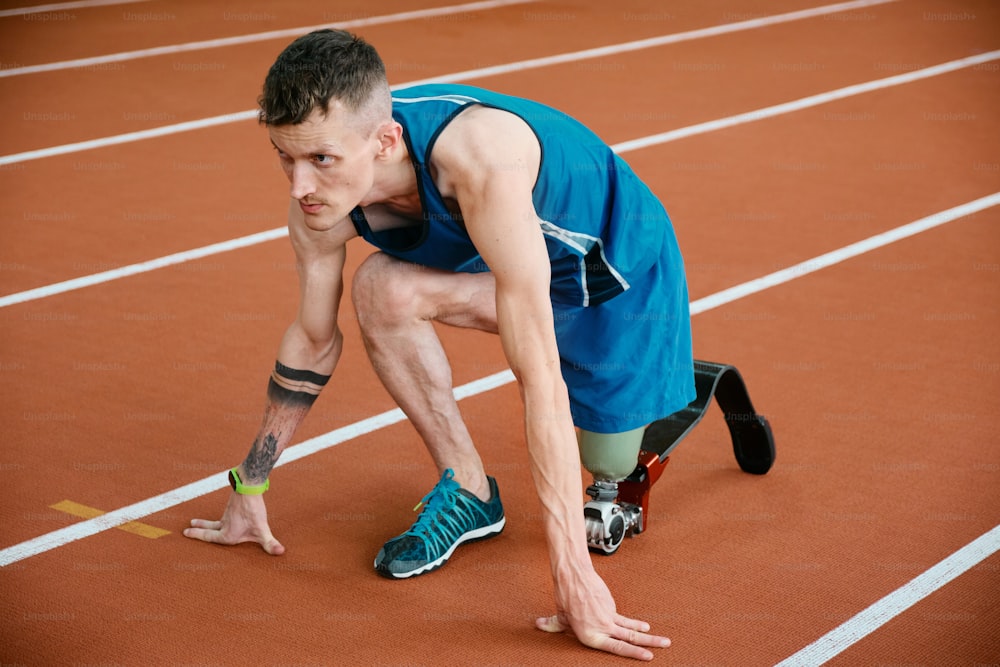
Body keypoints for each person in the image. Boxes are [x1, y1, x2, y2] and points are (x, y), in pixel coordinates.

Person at [184, 28, 694, 661]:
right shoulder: (318, 203)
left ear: (386, 139)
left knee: (611, 466)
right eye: (284, 157)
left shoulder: (481, 161)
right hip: (511, 268)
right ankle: (471, 489)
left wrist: (573, 577)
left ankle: (647, 386)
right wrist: (250, 486)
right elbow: (313, 342)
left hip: (616, 280)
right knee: (381, 290)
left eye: (321, 159)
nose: (298, 186)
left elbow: (538, 377)